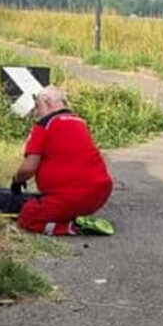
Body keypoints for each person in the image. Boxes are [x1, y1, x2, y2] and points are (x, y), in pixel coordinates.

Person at [11, 86, 114, 236]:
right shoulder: (79, 122)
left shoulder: (44, 125)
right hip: (99, 192)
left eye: (37, 106)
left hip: (69, 196)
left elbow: (29, 168)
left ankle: (70, 227)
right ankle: (72, 217)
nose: (35, 113)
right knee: (51, 205)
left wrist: (16, 180)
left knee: (28, 216)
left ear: (48, 102)